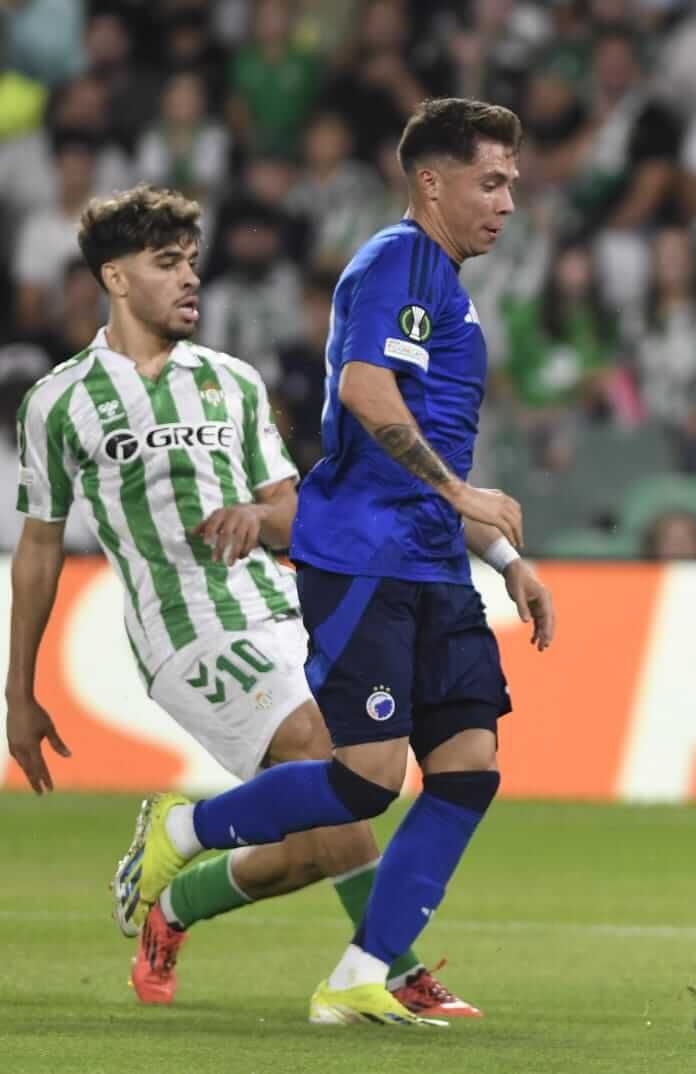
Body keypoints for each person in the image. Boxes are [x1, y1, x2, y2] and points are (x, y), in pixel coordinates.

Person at [103, 99, 556, 1028]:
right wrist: (467, 497)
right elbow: (364, 389)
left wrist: (505, 556)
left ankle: (360, 971)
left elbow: (434, 449)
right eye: (490, 181)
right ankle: (184, 827)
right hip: (363, 559)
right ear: (431, 182)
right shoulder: (397, 261)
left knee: (469, 768)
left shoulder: (445, 283)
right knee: (366, 781)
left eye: (511, 182)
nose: (508, 201)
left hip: (433, 563)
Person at [2, 186, 474, 1017]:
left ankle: (175, 907)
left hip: (284, 610)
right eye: (167, 263)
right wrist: (19, 690)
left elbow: (293, 510)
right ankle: (390, 975)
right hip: (185, 635)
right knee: (328, 749)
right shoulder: (60, 401)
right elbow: (39, 547)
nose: (191, 278)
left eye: (192, 262)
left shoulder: (233, 382)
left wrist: (259, 518)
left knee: (320, 843)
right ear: (115, 278)